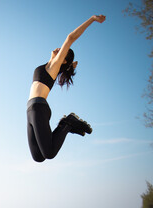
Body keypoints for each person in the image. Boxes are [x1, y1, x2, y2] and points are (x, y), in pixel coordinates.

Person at [27, 15, 106, 163]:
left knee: (49, 153)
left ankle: (67, 123)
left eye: (64, 52)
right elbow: (70, 64)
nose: (59, 48)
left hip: (39, 108)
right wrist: (71, 65)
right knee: (38, 157)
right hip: (30, 110)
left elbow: (70, 37)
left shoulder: (53, 66)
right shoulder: (48, 65)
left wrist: (92, 19)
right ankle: (66, 124)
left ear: (63, 59)